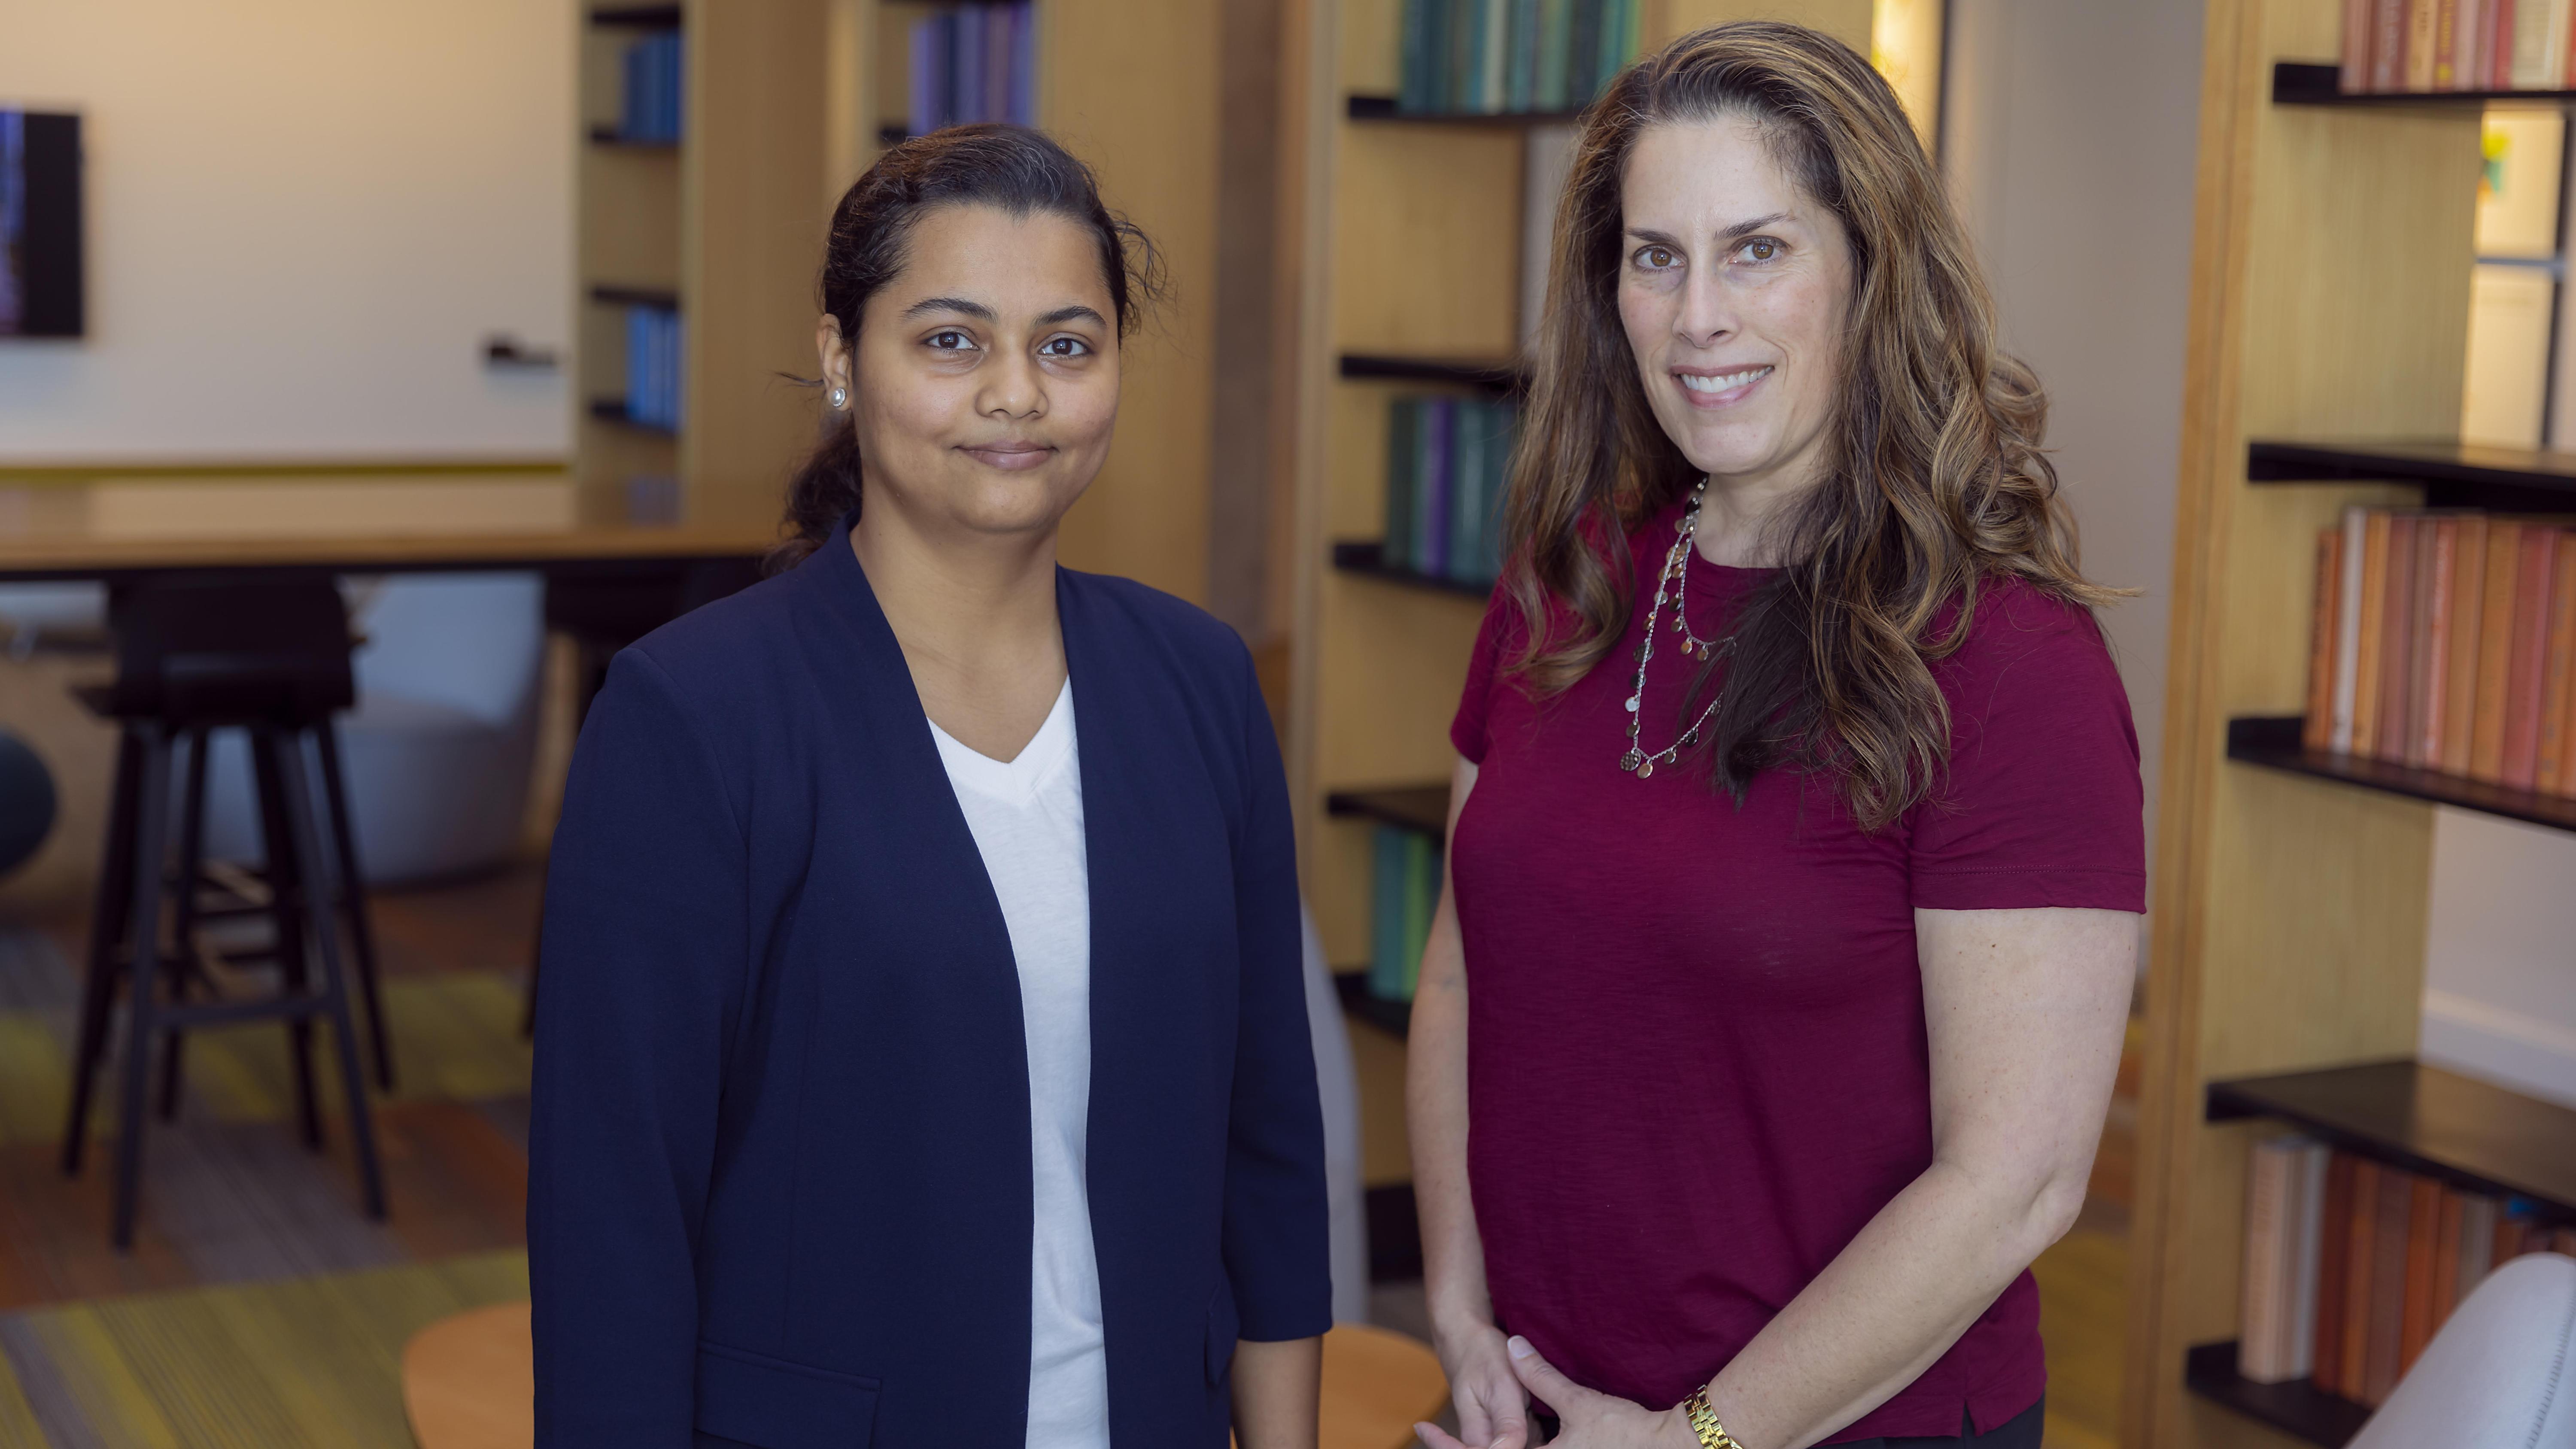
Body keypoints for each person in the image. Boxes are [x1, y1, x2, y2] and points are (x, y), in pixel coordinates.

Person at [527, 124, 1330, 1449]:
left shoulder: (1199, 684)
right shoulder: (694, 717)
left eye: (1067, 345)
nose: (1017, 393)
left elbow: (1270, 1152)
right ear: (845, 358)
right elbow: (614, 1222)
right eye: (952, 340)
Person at [1410, 23, 2143, 1449]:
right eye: (1656, 255)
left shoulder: (2009, 663)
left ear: (1871, 270)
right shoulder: (1566, 584)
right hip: (1547, 1407)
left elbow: (2020, 1181)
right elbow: (1458, 971)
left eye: (1759, 249)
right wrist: (1457, 1308)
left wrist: (1699, 1437)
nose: (1699, 316)